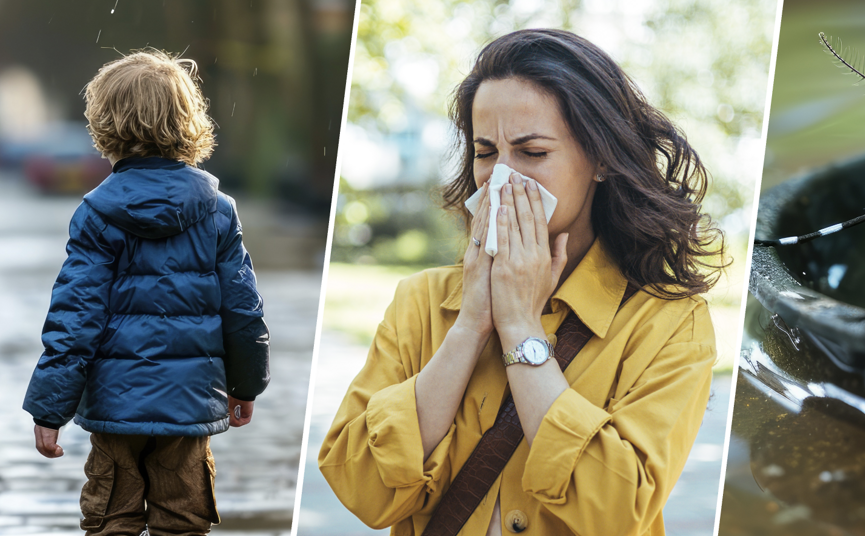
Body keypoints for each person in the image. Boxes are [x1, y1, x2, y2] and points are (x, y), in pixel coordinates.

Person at [320, 29, 722, 536]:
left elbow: (617, 513)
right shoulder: (421, 301)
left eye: (532, 152)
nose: (501, 177)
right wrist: (470, 326)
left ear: (599, 159)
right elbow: (360, 488)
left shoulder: (671, 323)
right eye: (486, 152)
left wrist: (520, 327)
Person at [22, 50, 270, 536]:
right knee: (183, 522)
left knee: (111, 520)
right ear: (188, 120)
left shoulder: (95, 214)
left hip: (116, 412)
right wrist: (246, 384)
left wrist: (51, 408)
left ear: (105, 124)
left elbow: (74, 319)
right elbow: (244, 311)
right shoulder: (219, 211)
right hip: (190, 406)